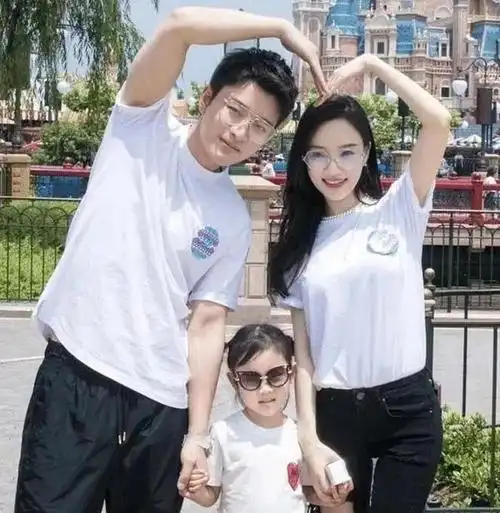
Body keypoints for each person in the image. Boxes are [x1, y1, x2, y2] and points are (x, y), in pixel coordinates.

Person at [14, 7, 328, 513]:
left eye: (259, 127)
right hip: (79, 376)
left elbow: (206, 325)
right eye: (234, 110)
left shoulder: (230, 217)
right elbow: (178, 26)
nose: (240, 131)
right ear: (207, 99)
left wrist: (197, 436)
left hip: (161, 405)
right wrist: (279, 28)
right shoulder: (140, 128)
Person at [269, 53, 451, 513]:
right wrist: (308, 439)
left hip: (407, 411)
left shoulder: (399, 209)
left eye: (347, 151)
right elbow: (305, 357)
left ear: (367, 153)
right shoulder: (299, 248)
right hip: (335, 414)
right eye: (319, 154)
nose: (334, 167)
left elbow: (438, 122)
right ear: (304, 161)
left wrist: (372, 65)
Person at [184, 324, 349, 513]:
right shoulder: (223, 433)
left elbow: (303, 490)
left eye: (276, 375)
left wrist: (326, 496)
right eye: (250, 378)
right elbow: (211, 495)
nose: (265, 389)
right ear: (234, 381)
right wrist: (197, 489)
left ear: (291, 373)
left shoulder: (301, 436)